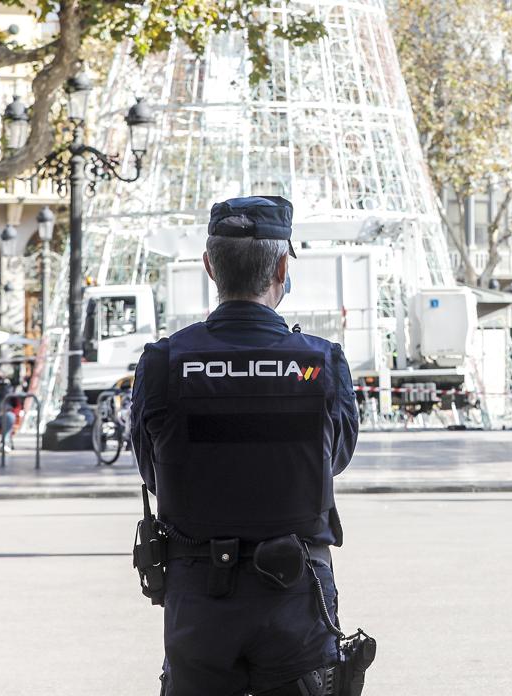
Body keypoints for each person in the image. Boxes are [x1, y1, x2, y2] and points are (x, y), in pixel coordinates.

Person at [130, 196, 359, 696]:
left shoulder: (163, 363)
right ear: (282, 266)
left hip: (197, 600)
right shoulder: (322, 362)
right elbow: (334, 459)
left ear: (210, 266)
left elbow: (152, 470)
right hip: (296, 595)